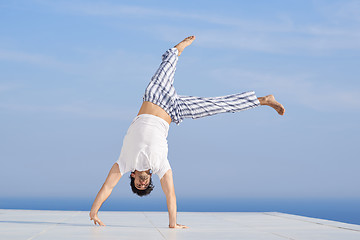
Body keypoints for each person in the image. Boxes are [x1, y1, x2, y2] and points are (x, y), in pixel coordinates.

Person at [89, 36, 285, 228]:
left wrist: (94, 212)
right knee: (217, 106)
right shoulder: (161, 167)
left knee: (166, 66)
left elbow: (108, 187)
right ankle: (262, 100)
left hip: (155, 96)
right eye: (145, 185)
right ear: (149, 180)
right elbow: (170, 194)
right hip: (175, 111)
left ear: (132, 176)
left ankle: (177, 49)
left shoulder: (125, 163)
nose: (142, 184)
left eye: (138, 185)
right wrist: (172, 224)